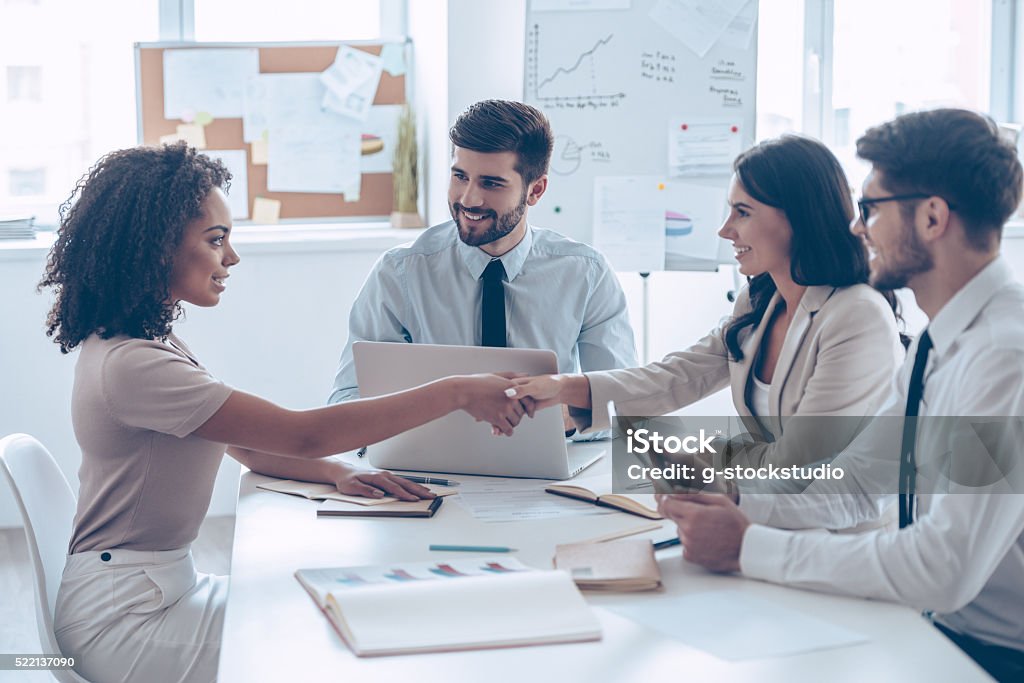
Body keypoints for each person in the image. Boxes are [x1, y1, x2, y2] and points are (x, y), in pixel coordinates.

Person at [40, 143, 525, 683]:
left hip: (152, 590)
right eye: (216, 239)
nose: (232, 258)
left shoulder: (142, 343)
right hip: (124, 622)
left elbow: (239, 442)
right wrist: (456, 391)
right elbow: (302, 434)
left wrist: (342, 472)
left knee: (337, 604)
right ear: (154, 248)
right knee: (335, 635)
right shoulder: (135, 365)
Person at [654, 109, 1024, 681]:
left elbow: (944, 567)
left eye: (871, 208)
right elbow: (856, 483)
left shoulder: (1005, 357)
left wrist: (749, 547)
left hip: (995, 657)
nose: (857, 228)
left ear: (931, 217)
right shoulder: (940, 341)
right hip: (936, 631)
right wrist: (732, 500)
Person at [512, 135, 905, 468]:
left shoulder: (857, 316)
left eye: (743, 212)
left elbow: (804, 458)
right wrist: (561, 388)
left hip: (836, 537)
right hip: (767, 518)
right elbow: (676, 376)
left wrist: (678, 454)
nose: (725, 229)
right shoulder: (760, 299)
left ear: (799, 217)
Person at [328, 99, 636, 437]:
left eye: (491, 183)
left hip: (549, 474)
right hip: (426, 470)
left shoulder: (585, 273)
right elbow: (348, 398)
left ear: (535, 190)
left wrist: (561, 418)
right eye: (460, 176)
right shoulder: (400, 273)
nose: (469, 199)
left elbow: (626, 406)